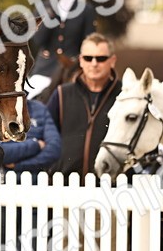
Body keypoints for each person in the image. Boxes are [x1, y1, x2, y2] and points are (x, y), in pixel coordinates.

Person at [47, 33, 121, 178]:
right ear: (81, 60)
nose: (94, 63)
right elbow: (43, 136)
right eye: (88, 58)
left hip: (110, 188)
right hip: (63, 186)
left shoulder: (125, 95)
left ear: (112, 61)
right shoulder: (62, 94)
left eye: (101, 58)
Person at [27, 0, 96, 99]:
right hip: (45, 70)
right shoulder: (42, 7)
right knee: (27, 101)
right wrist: (51, 11)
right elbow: (38, 40)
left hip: (73, 71)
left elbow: (89, 44)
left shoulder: (86, 9)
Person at [0, 97, 61, 174]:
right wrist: (36, 145)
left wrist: (18, 165)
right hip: (1, 184)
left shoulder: (40, 109)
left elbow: (54, 150)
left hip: (37, 183)